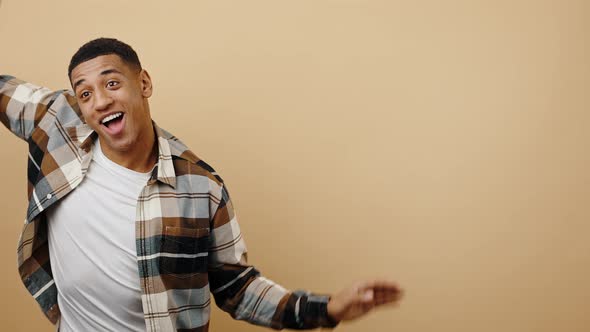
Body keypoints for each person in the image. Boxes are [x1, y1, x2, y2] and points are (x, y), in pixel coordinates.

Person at [0, 38, 402, 331]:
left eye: (111, 83)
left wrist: (329, 308)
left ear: (144, 84)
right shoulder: (57, 125)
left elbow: (238, 288)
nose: (99, 101)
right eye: (84, 93)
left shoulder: (200, 189)